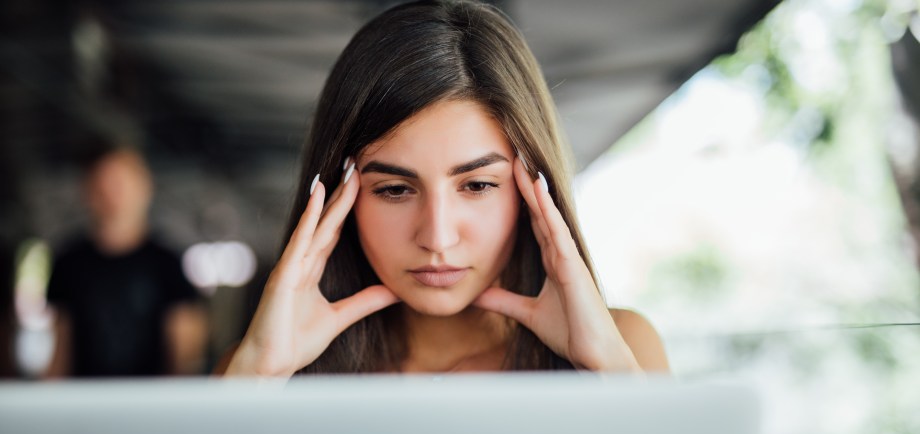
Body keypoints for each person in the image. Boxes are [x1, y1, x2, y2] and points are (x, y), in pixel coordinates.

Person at [225, 0, 669, 377]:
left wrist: (609, 371)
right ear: (339, 199)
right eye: (395, 189)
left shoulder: (625, 354)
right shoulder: (260, 372)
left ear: (535, 190)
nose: (437, 238)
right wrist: (259, 374)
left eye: (477, 184)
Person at [46, 147, 208, 377]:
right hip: (83, 400)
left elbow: (185, 353)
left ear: (144, 188)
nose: (112, 195)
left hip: (150, 402)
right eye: (104, 185)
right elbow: (61, 345)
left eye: (121, 184)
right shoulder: (68, 262)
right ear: (88, 192)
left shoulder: (167, 263)